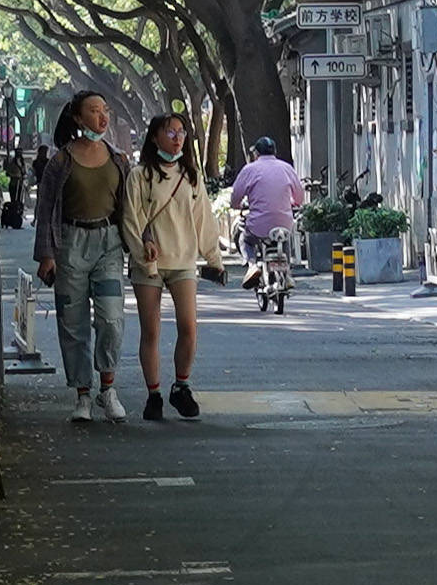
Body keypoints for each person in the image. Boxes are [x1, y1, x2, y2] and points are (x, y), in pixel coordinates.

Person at [31, 91, 138, 424]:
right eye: (93, 111)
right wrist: (46, 255)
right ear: (77, 118)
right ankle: (82, 394)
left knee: (110, 318)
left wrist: (140, 242)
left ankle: (108, 388)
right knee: (72, 322)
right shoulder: (60, 161)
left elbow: (131, 209)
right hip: (70, 245)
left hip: (108, 243)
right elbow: (45, 208)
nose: (102, 117)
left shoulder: (119, 159)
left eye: (105, 110)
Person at [123, 112, 227, 419]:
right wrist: (143, 249)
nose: (177, 137)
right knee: (150, 331)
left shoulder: (190, 175)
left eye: (181, 132)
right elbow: (131, 217)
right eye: (170, 132)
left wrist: (213, 259)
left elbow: (204, 219)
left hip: (183, 260)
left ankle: (181, 386)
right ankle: (153, 393)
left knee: (188, 327)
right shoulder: (140, 175)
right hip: (149, 263)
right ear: (155, 137)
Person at [227, 138, 308, 311]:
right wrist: (292, 202)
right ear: (275, 152)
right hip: (284, 222)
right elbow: (299, 196)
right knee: (284, 238)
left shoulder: (250, 169)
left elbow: (236, 195)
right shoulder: (287, 168)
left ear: (256, 154)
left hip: (258, 224)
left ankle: (252, 265)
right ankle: (287, 273)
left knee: (243, 238)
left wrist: (237, 205)